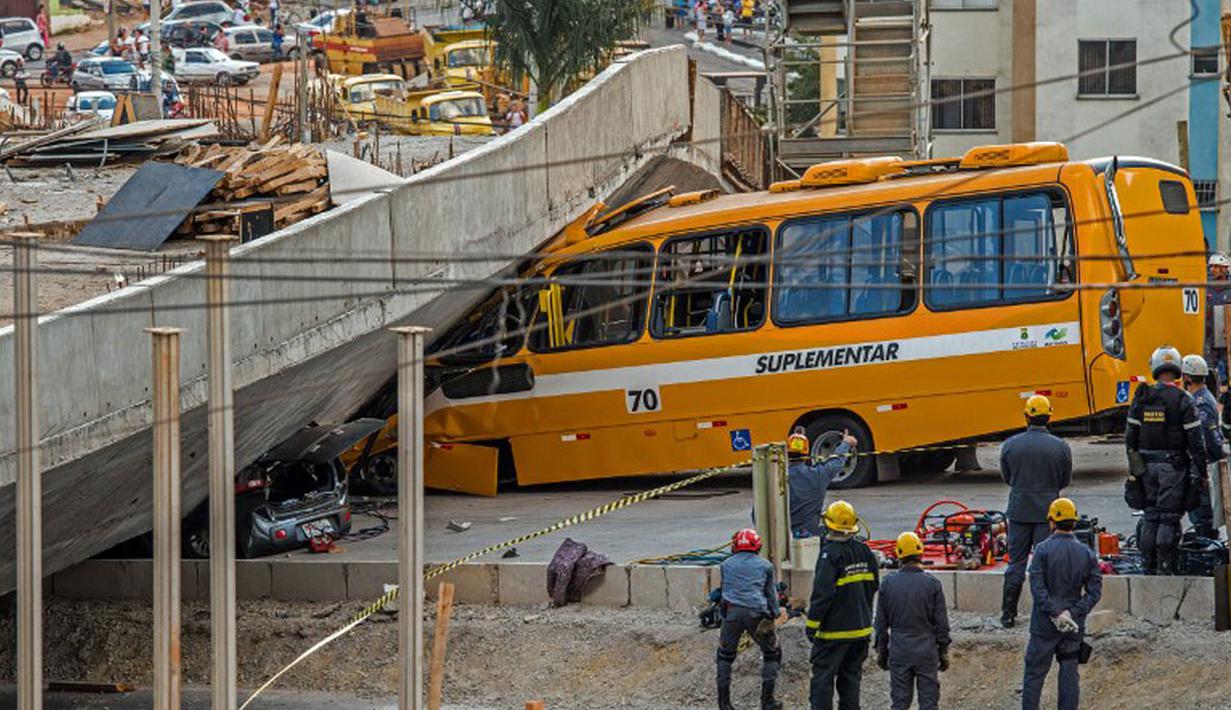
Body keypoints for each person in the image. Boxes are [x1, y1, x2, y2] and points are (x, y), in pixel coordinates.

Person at [1125, 345, 1206, 575]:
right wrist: (1201, 473)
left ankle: (1148, 567)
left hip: (1145, 468)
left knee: (1151, 515)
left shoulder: (1141, 397)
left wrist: (1135, 470)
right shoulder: (1183, 399)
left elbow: (1130, 439)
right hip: (1173, 468)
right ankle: (1166, 568)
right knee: (1169, 518)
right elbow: (1196, 442)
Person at [1020, 498, 1102, 710]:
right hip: (1072, 626)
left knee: (1034, 676)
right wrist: (1072, 613)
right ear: (1074, 522)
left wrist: (1056, 613)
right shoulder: (1087, 553)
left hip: (1044, 625)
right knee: (1069, 672)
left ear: (1051, 522)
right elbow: (1094, 591)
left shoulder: (1042, 550)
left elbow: (1037, 588)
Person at [998, 394, 1072, 628]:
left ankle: (1008, 614)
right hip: (1047, 513)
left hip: (1019, 510)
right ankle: (1047, 613)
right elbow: (1064, 479)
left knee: (1016, 563)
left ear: (1027, 416)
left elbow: (1008, 477)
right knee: (1046, 565)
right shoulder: (1060, 447)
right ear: (1049, 417)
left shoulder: (1011, 445)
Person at [807, 500, 878, 710]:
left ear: (830, 526)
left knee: (822, 680)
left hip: (833, 634)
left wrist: (812, 625)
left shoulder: (830, 555)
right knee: (851, 680)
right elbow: (873, 585)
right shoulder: (865, 552)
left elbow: (823, 594)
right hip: (861, 632)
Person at [875, 532, 951, 710]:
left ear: (899, 555)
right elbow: (941, 623)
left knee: (900, 702)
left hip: (899, 650)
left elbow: (881, 624)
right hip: (926, 650)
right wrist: (943, 650)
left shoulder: (888, 584)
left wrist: (882, 651)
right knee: (928, 702)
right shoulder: (932, 584)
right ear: (921, 554)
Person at [716, 528, 783, 710]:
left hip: (732, 613)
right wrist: (774, 614)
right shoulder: (765, 566)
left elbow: (723, 593)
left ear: (735, 546)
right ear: (758, 546)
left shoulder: (726, 564)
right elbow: (771, 595)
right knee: (771, 653)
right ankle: (767, 702)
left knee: (724, 656)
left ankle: (725, 704)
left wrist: (724, 618)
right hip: (756, 612)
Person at [786, 426, 857, 538]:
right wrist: (846, 443)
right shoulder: (818, 475)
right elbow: (836, 462)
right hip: (811, 537)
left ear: (787, 454)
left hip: (782, 537)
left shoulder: (778, 479)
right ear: (807, 454)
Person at [1182, 354, 1224, 539]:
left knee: (1203, 518)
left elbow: (1208, 437)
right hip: (1206, 465)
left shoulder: (1199, 402)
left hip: (1205, 468)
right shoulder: (1205, 398)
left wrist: (1210, 464)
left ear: (1187, 377)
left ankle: (1207, 557)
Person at [1205, 252, 1231, 389]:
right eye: (1211, 267)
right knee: (1211, 367)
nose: (1212, 270)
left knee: (1227, 365)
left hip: (1227, 337)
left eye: (1216, 267)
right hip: (1211, 336)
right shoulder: (1207, 287)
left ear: (1224, 268)